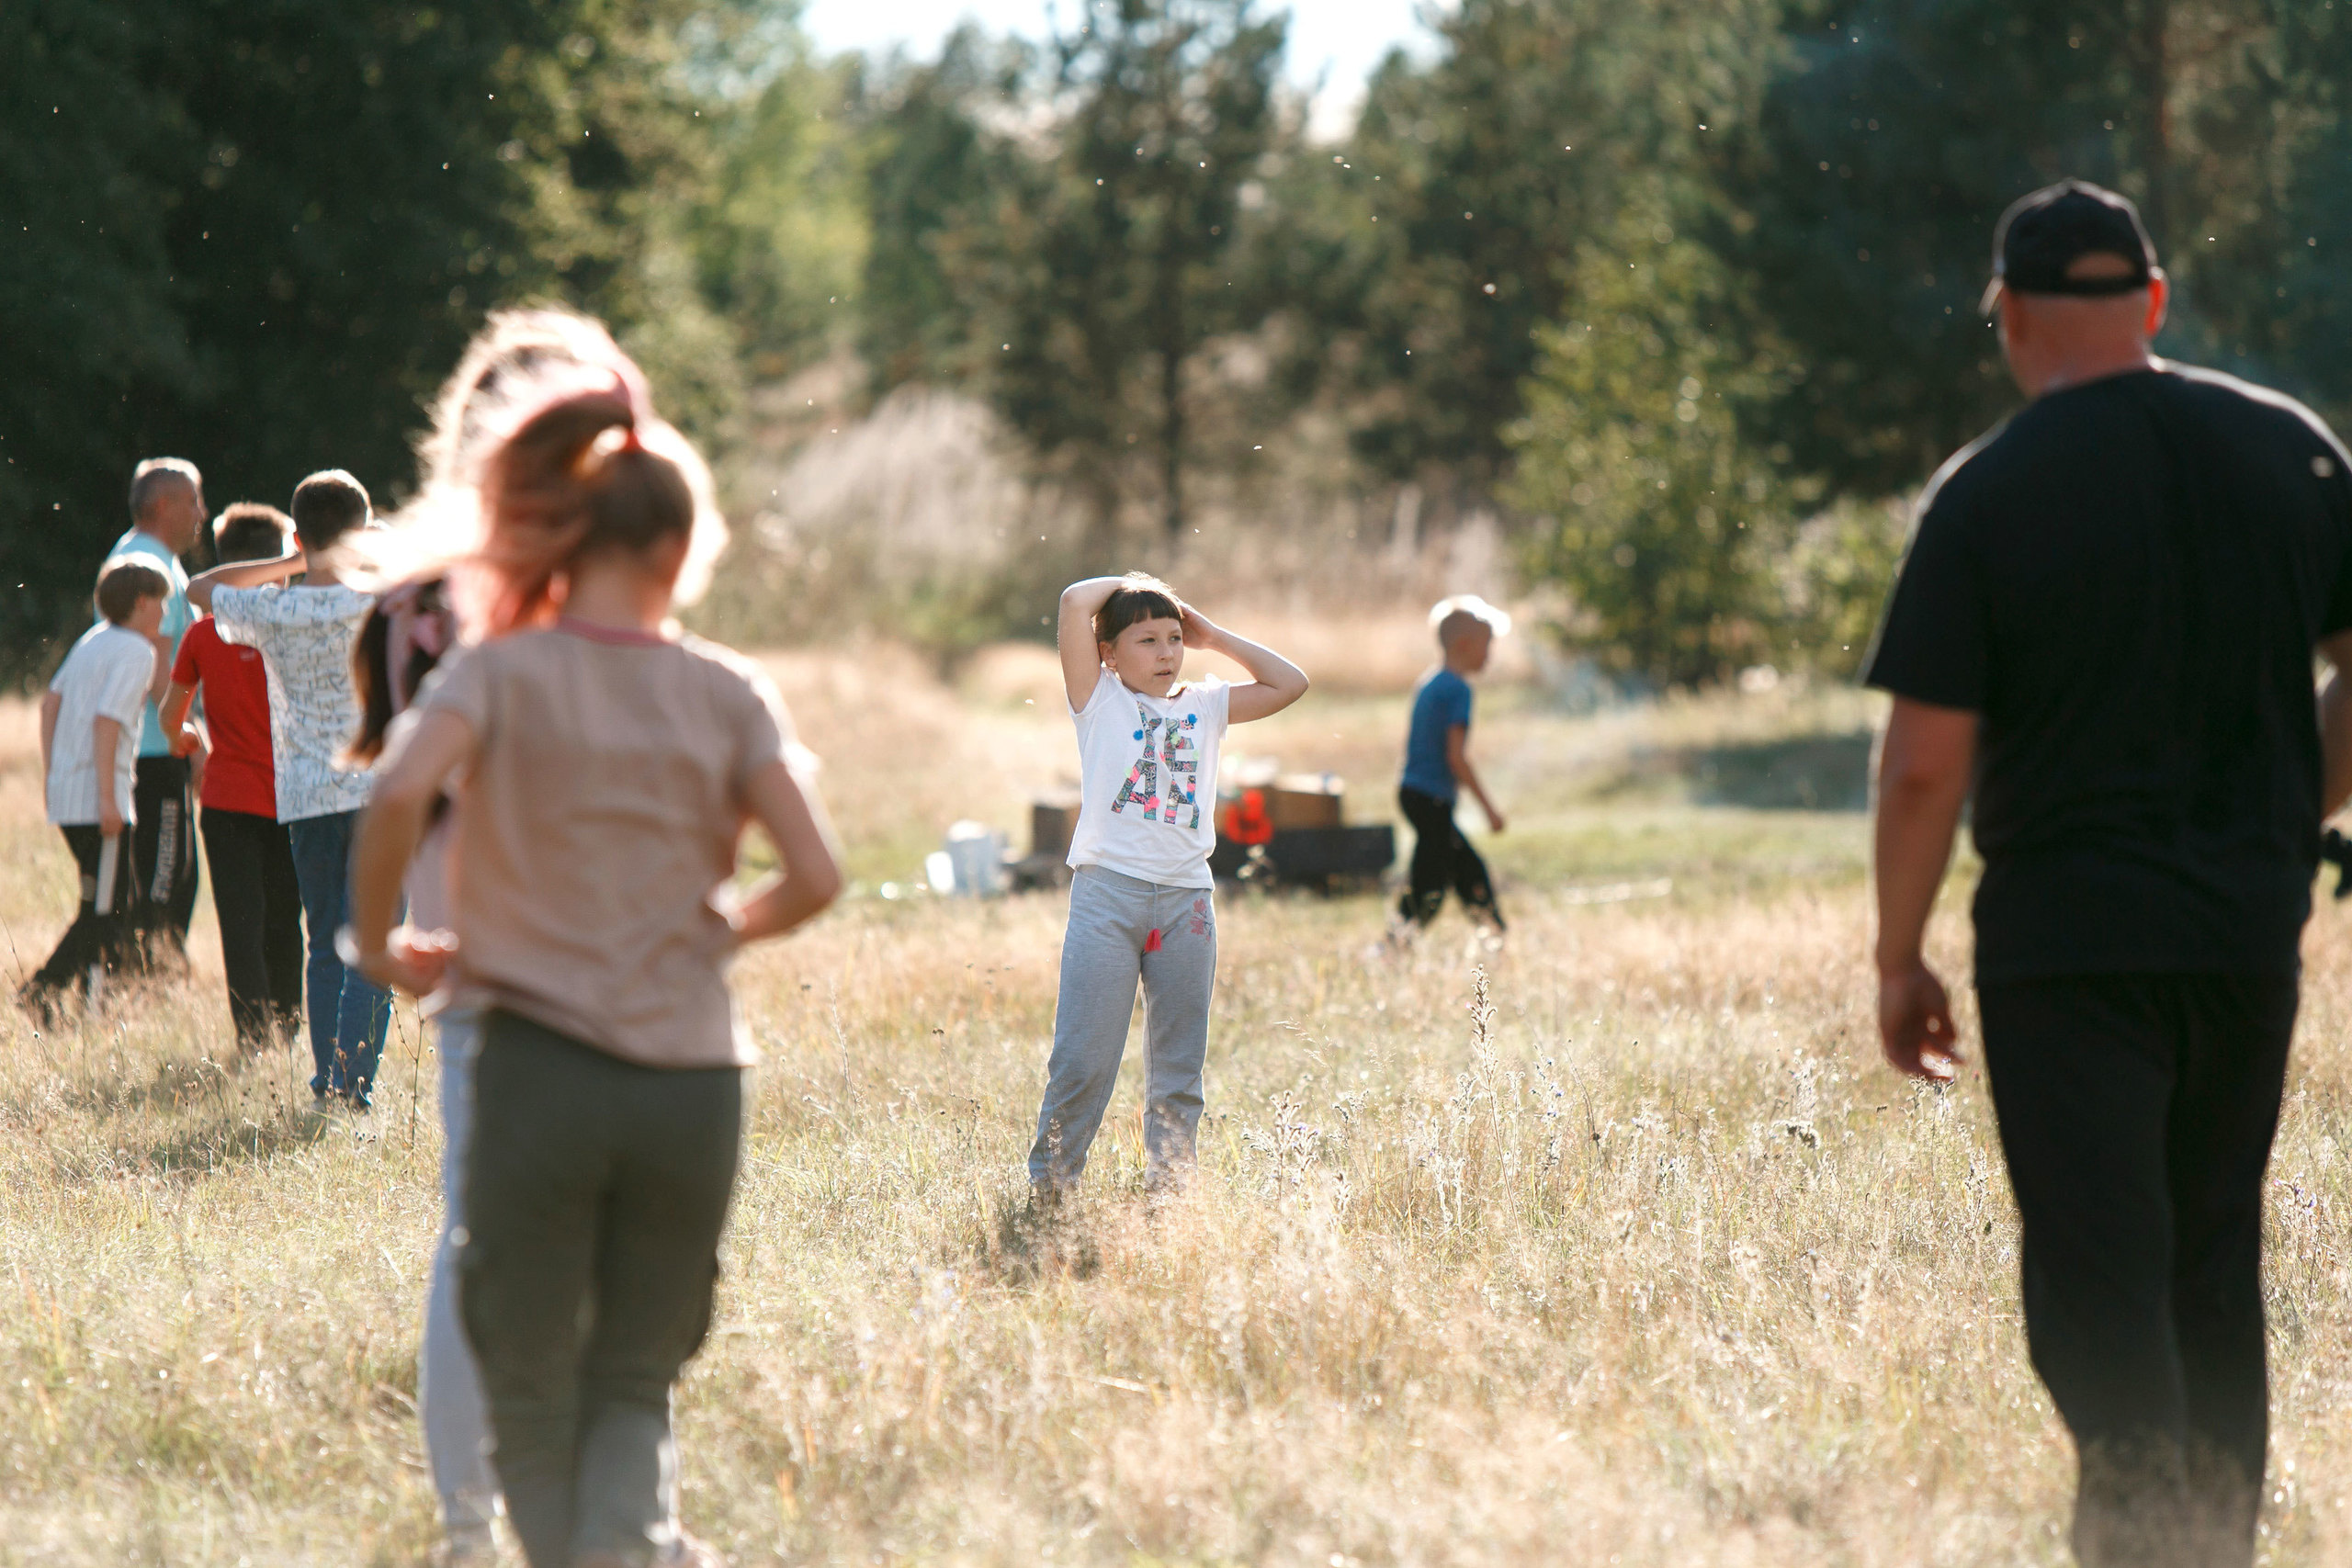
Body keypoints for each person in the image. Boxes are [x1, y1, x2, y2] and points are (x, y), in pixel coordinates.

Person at [1865, 178, 2352, 1568]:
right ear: (2151, 300)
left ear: (2009, 317)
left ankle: (2141, 1545)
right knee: (2212, 1256)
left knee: (2099, 1270)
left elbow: (1920, 768)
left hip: (2068, 947)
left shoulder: (1991, 490)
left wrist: (1898, 957)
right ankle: (2215, 1545)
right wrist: (2279, 813)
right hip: (2247, 934)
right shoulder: (2294, 454)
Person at [345, 360, 842, 1568]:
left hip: (537, 1069)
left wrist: (376, 943)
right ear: (684, 548)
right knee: (631, 1373)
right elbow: (818, 871)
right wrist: (729, 924)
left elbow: (401, 785)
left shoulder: (498, 673)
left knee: (527, 1379)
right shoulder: (727, 689)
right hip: (692, 1085)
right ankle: (640, 1545)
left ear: (557, 538)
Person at [352, 304, 635, 1566]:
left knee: (507, 1242)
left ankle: (501, 1526)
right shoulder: (559, 587)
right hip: (551, 961)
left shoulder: (410, 596)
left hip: (484, 960)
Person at [1029, 573, 1309, 1196]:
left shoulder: (1204, 705)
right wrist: (1136, 583)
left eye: (1175, 639)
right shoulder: (1097, 698)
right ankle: (1053, 1185)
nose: (1165, 653)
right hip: (1109, 897)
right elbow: (1075, 599)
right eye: (1146, 639)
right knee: (1083, 1059)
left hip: (1186, 902)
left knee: (1179, 1066)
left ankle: (1171, 1188)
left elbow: (1291, 682)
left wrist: (1214, 636)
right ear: (1108, 651)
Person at [187, 471, 390, 1110]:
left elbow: (199, 589)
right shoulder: (381, 600)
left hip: (302, 795)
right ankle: (350, 1087)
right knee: (375, 944)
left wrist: (292, 560)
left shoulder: (276, 608)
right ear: (360, 531)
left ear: (299, 533)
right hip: (378, 791)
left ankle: (326, 1084)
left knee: (324, 940)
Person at [160, 504, 304, 1051]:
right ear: (280, 560)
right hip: (292, 798)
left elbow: (172, 717)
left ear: (224, 562)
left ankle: (252, 1041)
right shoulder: (298, 626)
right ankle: (289, 1034)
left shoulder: (201, 635)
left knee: (239, 924)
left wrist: (185, 740)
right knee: (286, 921)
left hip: (226, 802)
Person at [19, 558, 173, 1019]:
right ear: (143, 604)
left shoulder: (93, 640)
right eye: (162, 603)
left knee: (98, 901)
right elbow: (108, 721)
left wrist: (52, 775)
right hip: (99, 799)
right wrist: (110, 799)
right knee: (109, 908)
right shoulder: (136, 652)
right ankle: (48, 993)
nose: (165, 613)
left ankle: (69, 997)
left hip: (71, 794)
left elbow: (50, 703)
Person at [101, 457, 207, 955]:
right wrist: (185, 730)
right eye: (193, 500)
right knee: (165, 871)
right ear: (162, 505)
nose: (201, 513)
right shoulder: (150, 567)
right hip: (155, 747)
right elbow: (156, 669)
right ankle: (148, 971)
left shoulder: (138, 554)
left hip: (149, 745)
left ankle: (142, 966)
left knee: (156, 869)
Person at [1394, 594, 1510, 934]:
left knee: (1462, 867)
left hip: (1414, 793)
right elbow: (1456, 757)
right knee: (1433, 880)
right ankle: (1395, 944)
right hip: (1430, 798)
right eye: (1486, 646)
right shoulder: (1458, 689)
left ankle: (1493, 933)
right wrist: (1489, 809)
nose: (1490, 655)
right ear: (1463, 645)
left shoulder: (1430, 681)